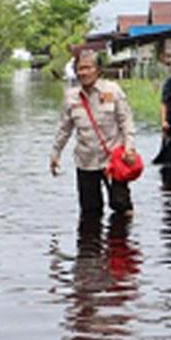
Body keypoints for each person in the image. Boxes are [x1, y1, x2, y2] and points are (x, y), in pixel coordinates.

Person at [50, 50, 138, 217]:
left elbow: (126, 121)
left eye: (87, 68)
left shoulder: (112, 90)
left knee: (122, 207)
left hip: (114, 160)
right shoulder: (71, 97)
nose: (83, 72)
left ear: (98, 70)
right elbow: (64, 128)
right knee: (90, 211)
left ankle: (122, 242)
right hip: (85, 161)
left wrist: (130, 148)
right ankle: (91, 243)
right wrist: (55, 153)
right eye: (80, 68)